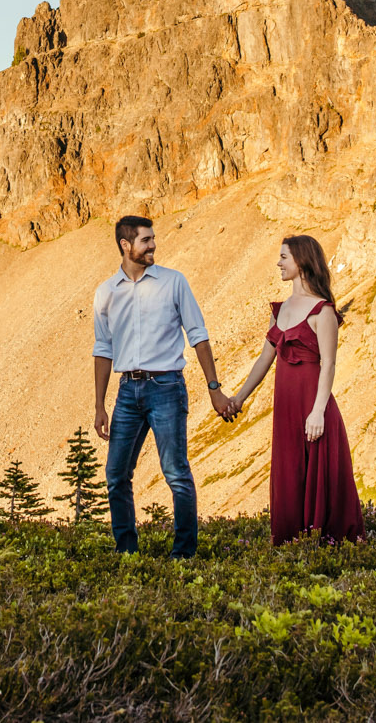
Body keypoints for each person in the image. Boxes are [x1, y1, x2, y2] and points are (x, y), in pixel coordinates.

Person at [92, 214, 236, 558]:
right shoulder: (105, 293)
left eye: (153, 238)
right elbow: (102, 349)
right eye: (146, 240)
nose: (153, 245)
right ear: (126, 246)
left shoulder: (174, 282)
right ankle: (126, 550)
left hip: (167, 387)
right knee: (116, 474)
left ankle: (183, 554)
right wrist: (100, 405)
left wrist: (214, 388)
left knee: (175, 471)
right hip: (127, 391)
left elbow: (198, 335)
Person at [223, 234, 364, 544]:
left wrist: (317, 413)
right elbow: (264, 359)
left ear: (300, 261)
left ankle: (329, 547)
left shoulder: (323, 311)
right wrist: (238, 398)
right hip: (286, 409)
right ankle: (291, 547)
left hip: (314, 408)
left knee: (321, 477)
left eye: (284, 257)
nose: (278, 263)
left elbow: (329, 364)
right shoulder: (281, 309)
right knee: (290, 474)